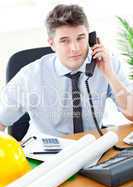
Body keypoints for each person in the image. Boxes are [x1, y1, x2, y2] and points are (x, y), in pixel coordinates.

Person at [0, 4, 133, 137]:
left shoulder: (107, 64)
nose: (75, 48)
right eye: (64, 41)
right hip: (46, 152)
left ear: (90, 38)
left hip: (93, 149)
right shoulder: (30, 76)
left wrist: (109, 74)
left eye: (80, 38)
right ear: (52, 43)